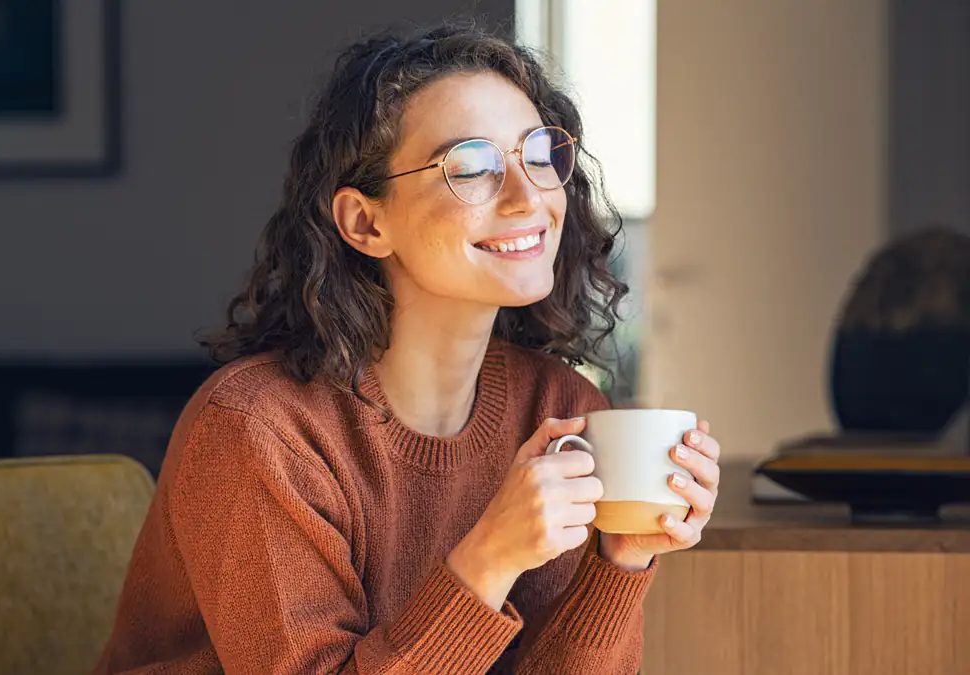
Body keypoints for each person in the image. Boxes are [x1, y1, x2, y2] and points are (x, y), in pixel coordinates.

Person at [92, 23, 721, 675]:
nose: (528, 195)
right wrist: (489, 558)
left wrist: (620, 558)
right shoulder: (259, 433)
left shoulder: (559, 408)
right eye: (472, 168)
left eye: (538, 154)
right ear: (367, 222)